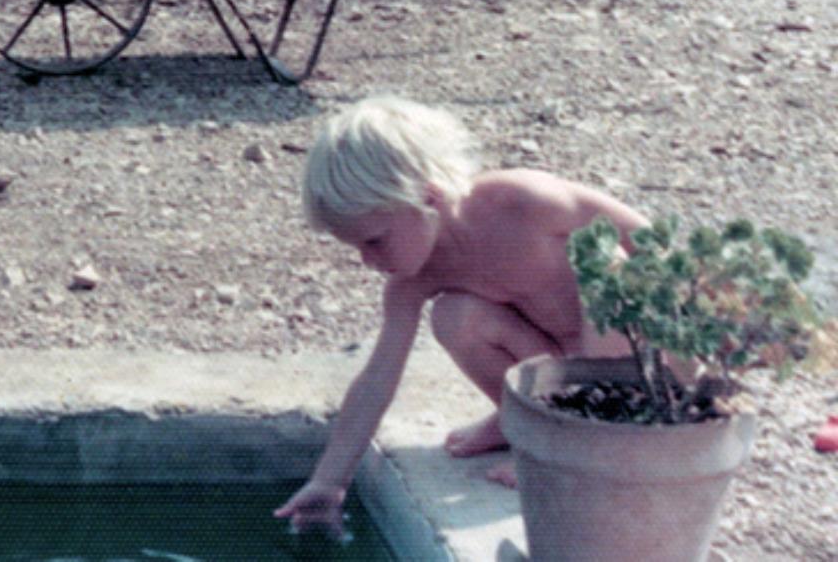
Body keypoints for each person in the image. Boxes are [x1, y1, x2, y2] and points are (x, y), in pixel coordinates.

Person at [272, 95, 649, 538]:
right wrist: (329, 481)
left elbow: (650, 242)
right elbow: (378, 377)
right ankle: (520, 419)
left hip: (636, 370)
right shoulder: (412, 281)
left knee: (608, 262)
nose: (366, 261)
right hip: (559, 370)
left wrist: (722, 330)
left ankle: (579, 450)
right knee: (456, 315)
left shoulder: (520, 202)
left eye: (374, 241)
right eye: (355, 248)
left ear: (427, 196)